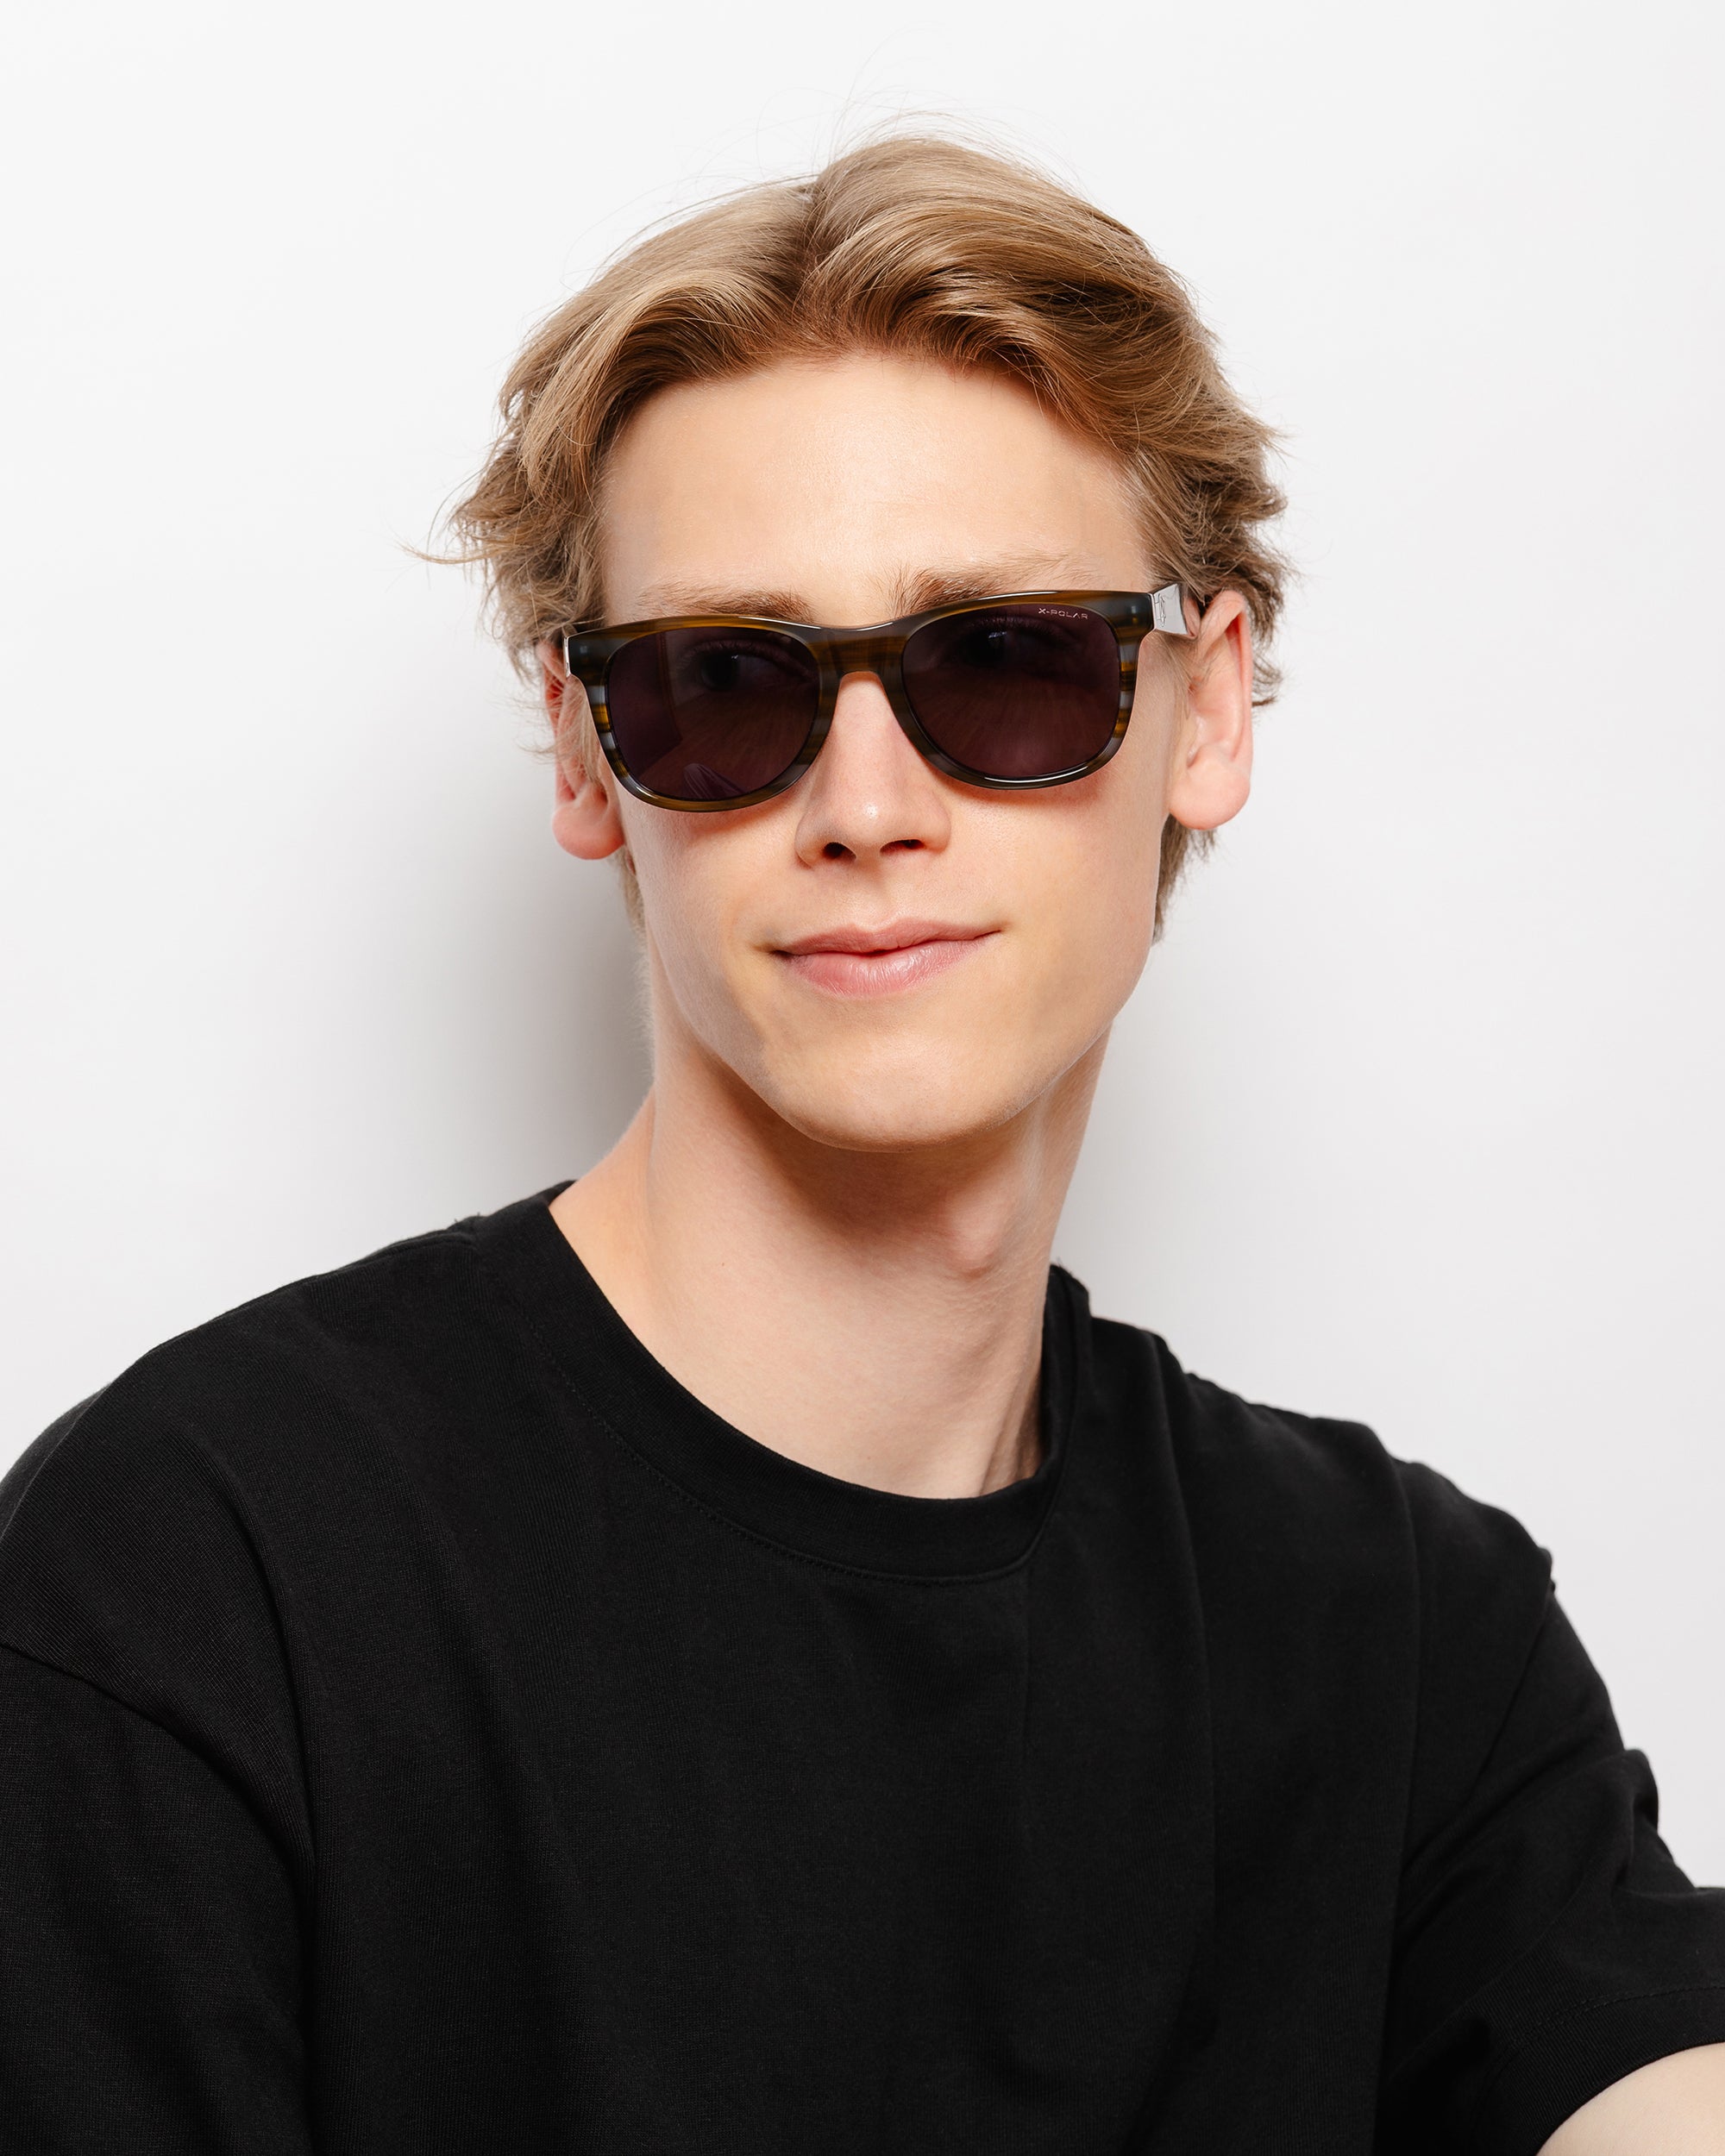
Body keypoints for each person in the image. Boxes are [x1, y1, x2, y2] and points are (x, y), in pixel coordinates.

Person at [1, 135, 1721, 2156]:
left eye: (1007, 657)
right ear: (585, 752)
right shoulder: (199, 1576)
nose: (868, 803)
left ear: (1208, 711)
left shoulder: (1401, 1630)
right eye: (725, 683)